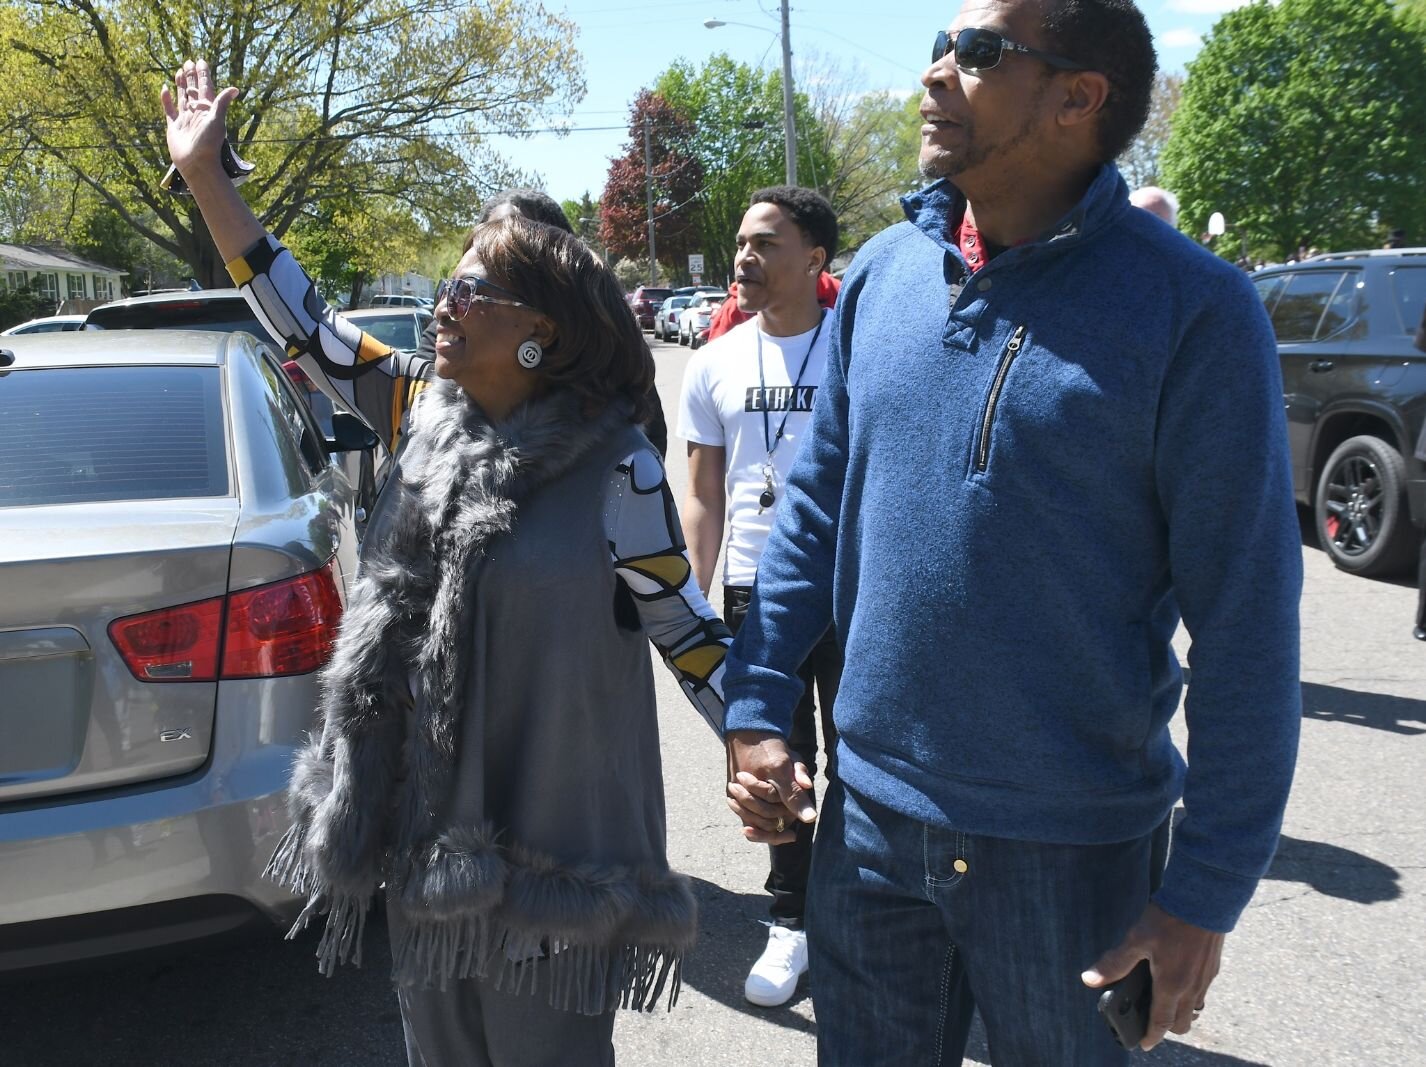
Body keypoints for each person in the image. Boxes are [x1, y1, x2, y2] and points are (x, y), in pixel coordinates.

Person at [720, 2, 1302, 1064]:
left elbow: (1248, 621)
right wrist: (757, 705)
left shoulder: (1195, 311)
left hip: (1068, 859)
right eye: (939, 46)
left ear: (1080, 97)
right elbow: (812, 511)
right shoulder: (888, 277)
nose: (938, 73)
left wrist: (1204, 892)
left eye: (978, 53)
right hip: (868, 830)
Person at [163, 60, 732, 1066]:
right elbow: (305, 324)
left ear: (536, 330)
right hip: (426, 843)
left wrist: (757, 734)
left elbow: (678, 619)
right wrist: (211, 181)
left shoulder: (616, 462)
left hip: (557, 854)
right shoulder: (420, 409)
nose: (442, 303)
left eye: (468, 285)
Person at [677, 186, 842, 1008]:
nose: (745, 256)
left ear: (814, 258)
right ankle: (794, 920)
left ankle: (859, 912)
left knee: (862, 760)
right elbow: (704, 492)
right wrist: (693, 600)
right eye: (740, 241)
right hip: (751, 593)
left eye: (765, 242)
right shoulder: (714, 362)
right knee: (773, 768)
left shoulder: (855, 349)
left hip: (850, 588)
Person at [703, 271, 839, 343]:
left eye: (766, 245)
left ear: (815, 259)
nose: (746, 258)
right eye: (741, 246)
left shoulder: (838, 293)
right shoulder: (734, 308)